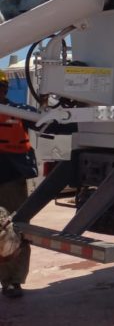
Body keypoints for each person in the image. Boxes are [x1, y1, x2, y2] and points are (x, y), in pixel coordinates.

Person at [0, 70, 37, 299]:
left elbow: (47, 123)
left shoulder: (18, 112)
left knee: (14, 230)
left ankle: (12, 281)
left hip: (11, 180)